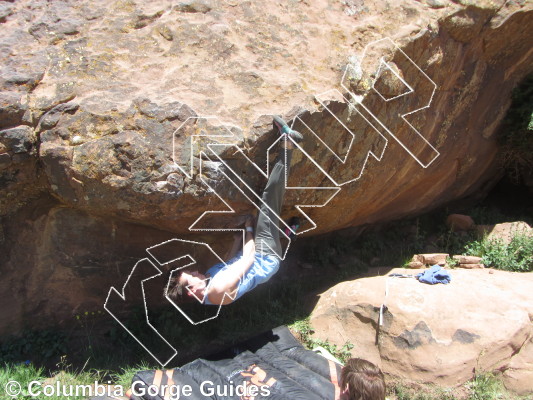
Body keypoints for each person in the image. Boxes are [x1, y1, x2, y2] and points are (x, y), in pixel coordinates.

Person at [168, 116, 303, 306]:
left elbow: (227, 265)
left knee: (260, 215)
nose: (196, 271)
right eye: (191, 276)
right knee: (268, 200)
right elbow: (249, 257)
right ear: (191, 292)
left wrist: (237, 241)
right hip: (263, 256)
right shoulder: (217, 289)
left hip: (257, 256)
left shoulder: (207, 287)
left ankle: (286, 235)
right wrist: (248, 230)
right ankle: (289, 144)